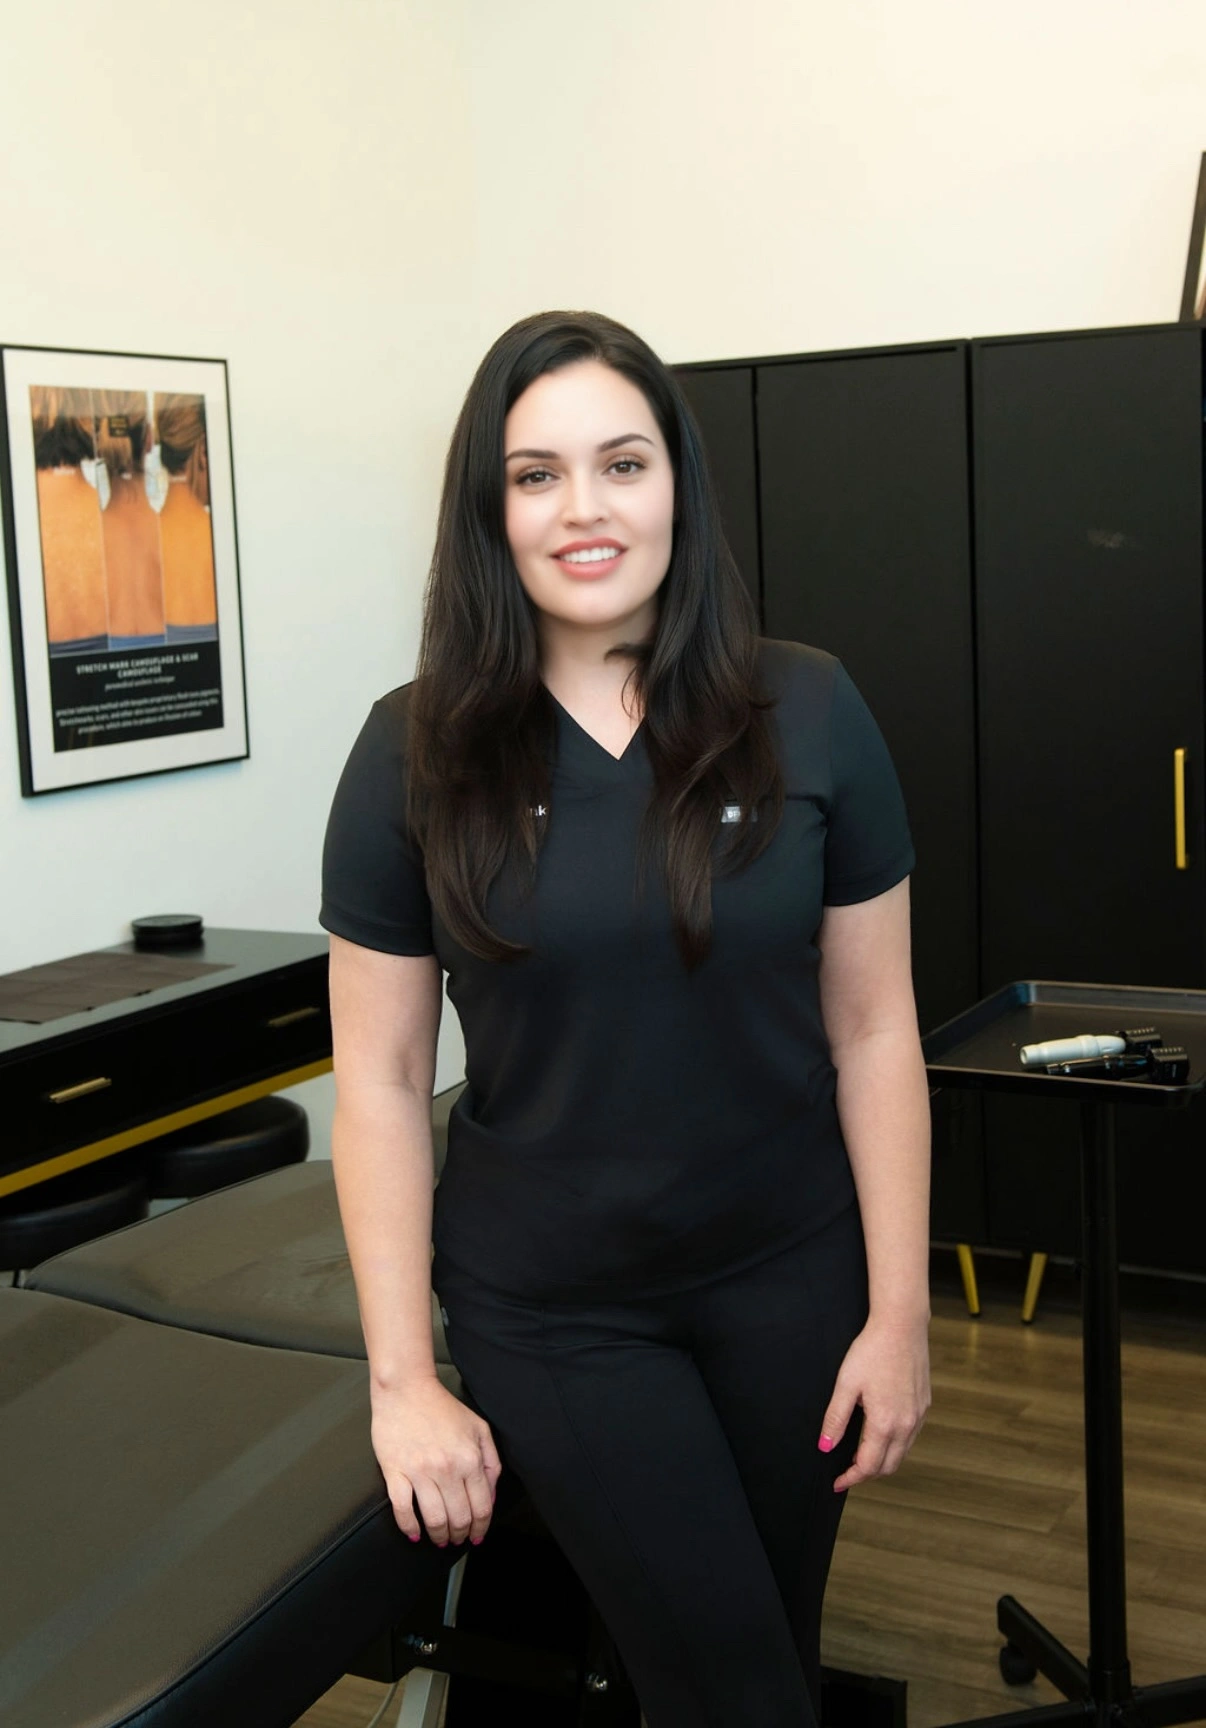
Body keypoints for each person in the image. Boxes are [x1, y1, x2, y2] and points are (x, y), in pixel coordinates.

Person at [319, 309, 932, 1728]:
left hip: (789, 1278)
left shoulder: (812, 709)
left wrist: (897, 1314)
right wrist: (402, 1377)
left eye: (620, 464)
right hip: (556, 1307)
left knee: (765, 1642)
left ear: (679, 487)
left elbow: (876, 1032)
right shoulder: (408, 753)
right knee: (733, 1692)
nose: (582, 510)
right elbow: (379, 1079)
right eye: (535, 475)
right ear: (490, 509)